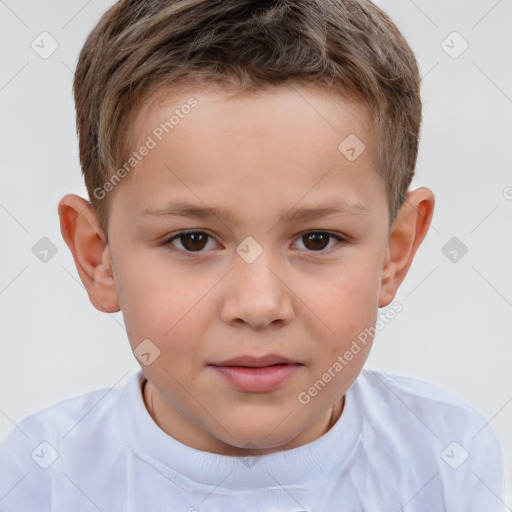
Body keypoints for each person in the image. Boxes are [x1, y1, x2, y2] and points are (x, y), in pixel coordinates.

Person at [0, 0, 509, 510]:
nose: (260, 304)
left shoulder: (447, 457)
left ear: (394, 254)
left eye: (317, 239)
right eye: (192, 240)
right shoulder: (40, 474)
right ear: (98, 258)